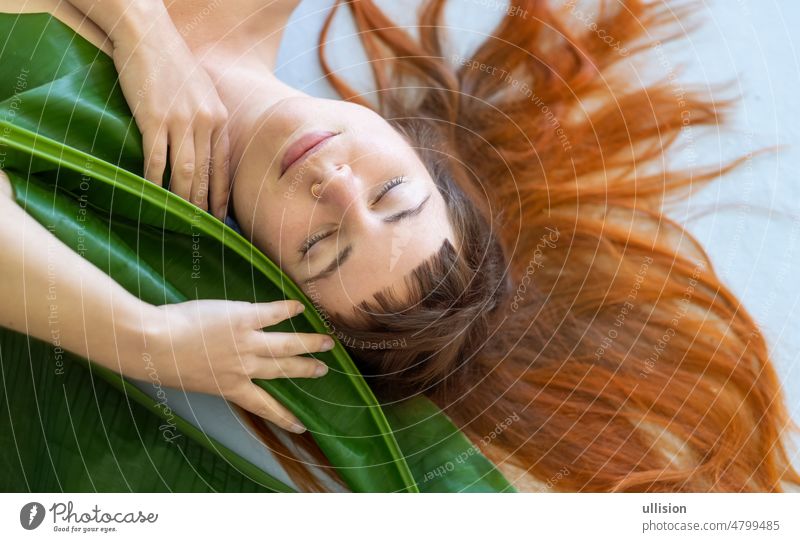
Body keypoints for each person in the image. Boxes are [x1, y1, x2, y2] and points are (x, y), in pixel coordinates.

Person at [1, 0, 798, 492]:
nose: (338, 188)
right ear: (424, 154)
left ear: (260, 269)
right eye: (393, 196)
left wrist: (144, 339)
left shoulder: (109, 185)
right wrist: (141, 31)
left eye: (322, 247)